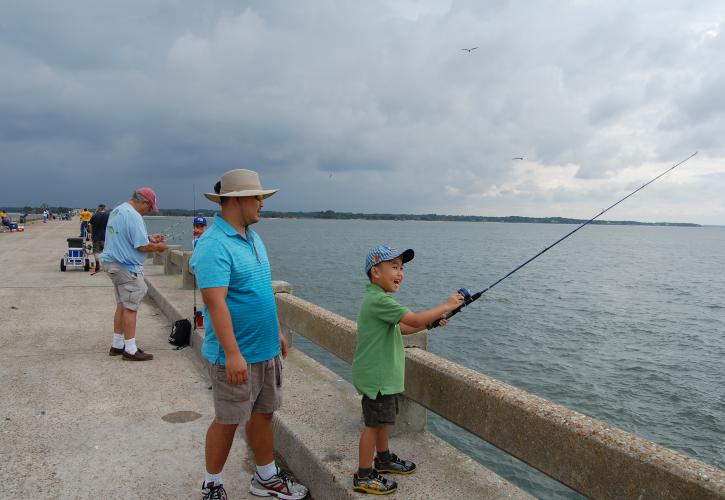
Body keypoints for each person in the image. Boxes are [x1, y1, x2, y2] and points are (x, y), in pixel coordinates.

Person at [190, 169, 308, 500]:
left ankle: (266, 477)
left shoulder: (252, 237)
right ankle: (212, 484)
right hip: (237, 354)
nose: (261, 204)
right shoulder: (213, 244)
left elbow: (261, 291)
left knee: (263, 413)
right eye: (257, 198)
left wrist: (277, 332)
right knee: (227, 420)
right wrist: (231, 353)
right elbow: (215, 304)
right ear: (237, 200)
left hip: (265, 348)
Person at [351, 245, 464, 495]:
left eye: (402, 268)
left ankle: (383, 459)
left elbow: (403, 329)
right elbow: (412, 319)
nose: (400, 273)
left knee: (382, 421)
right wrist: (445, 305)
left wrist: (432, 323)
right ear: (375, 272)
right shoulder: (378, 300)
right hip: (377, 377)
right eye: (394, 267)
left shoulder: (379, 300)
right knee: (373, 424)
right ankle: (363, 475)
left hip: (380, 376)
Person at [100, 188, 167, 361]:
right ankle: (130, 349)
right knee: (130, 307)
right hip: (126, 267)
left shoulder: (117, 210)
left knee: (122, 304)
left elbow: (126, 237)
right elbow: (141, 247)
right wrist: (158, 247)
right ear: (143, 202)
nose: (149, 211)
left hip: (112, 264)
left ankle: (117, 344)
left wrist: (149, 238)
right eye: (150, 207)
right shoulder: (134, 216)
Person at [89, 204, 109, 272]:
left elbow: (90, 225)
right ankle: (105, 265)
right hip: (105, 237)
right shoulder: (108, 215)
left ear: (99, 208)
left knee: (96, 251)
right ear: (104, 208)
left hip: (96, 236)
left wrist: (91, 234)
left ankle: (97, 264)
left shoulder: (94, 215)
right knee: (106, 251)